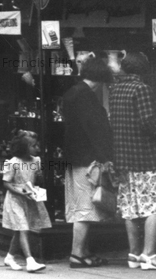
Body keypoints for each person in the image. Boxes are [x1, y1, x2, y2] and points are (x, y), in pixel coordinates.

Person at [62, 56, 114, 268]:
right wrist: (106, 157)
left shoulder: (73, 93)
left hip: (75, 157)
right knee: (84, 209)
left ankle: (83, 252)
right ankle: (77, 254)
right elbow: (95, 129)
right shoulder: (86, 97)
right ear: (100, 77)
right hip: (86, 159)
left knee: (81, 207)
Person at [108, 52, 156, 270]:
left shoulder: (115, 89)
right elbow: (148, 122)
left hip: (123, 158)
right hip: (145, 157)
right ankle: (149, 254)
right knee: (152, 208)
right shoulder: (142, 89)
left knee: (130, 208)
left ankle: (133, 254)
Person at [2, 130, 51, 273]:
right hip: (16, 200)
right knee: (23, 228)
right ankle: (30, 261)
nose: (38, 149)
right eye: (34, 146)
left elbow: (37, 179)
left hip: (29, 198)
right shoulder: (13, 163)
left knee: (20, 230)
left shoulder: (36, 161)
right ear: (24, 147)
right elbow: (6, 183)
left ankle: (9, 257)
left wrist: (39, 179)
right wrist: (22, 193)